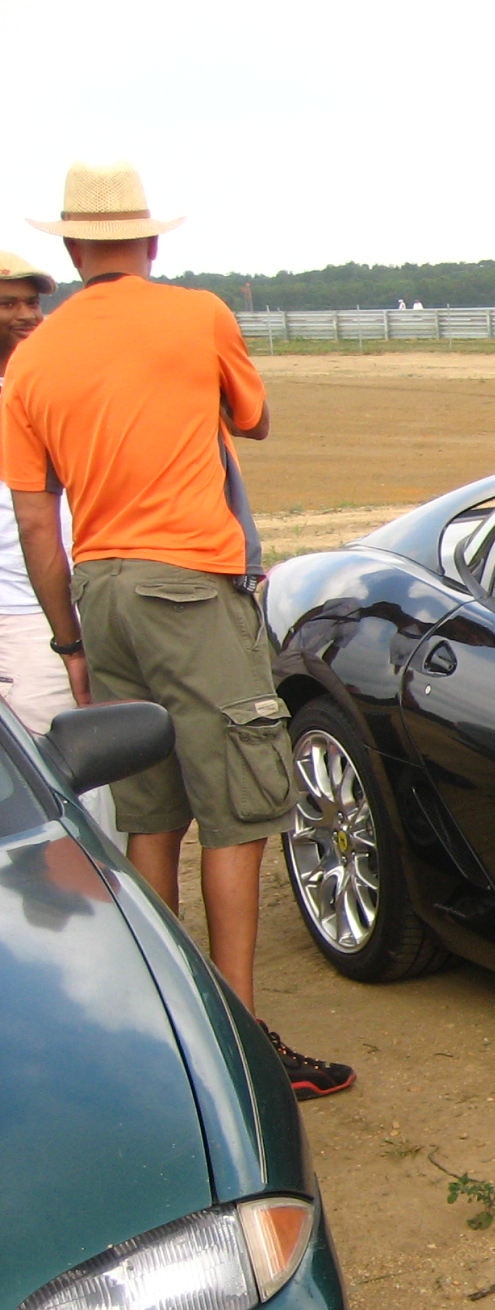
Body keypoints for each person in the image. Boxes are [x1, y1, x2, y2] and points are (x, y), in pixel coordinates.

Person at [2, 159, 353, 1097]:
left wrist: (70, 641)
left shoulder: (30, 360)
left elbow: (39, 521)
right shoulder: (198, 315)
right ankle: (237, 1042)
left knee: (149, 811)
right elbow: (257, 416)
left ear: (73, 249)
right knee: (236, 810)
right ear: (151, 241)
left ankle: (167, 1035)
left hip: (101, 587)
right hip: (190, 582)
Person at [0, 251, 70, 735]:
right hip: (19, 614)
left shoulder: (49, 386)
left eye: (32, 303)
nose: (27, 315)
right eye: (8, 304)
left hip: (60, 606)